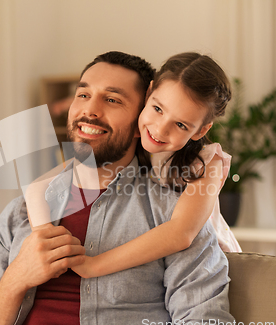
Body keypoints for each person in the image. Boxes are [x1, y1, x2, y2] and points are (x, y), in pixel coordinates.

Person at [0, 51, 235, 325]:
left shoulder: (174, 209)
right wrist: (17, 278)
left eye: (112, 100)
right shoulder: (18, 215)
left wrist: (92, 266)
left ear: (139, 112)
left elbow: (205, 323)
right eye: (82, 95)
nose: (89, 110)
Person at [25, 52, 241, 279]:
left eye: (180, 124)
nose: (160, 129)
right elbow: (38, 186)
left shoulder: (208, 161)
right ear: (148, 94)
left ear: (200, 130)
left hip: (206, 266)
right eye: (158, 109)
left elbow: (181, 233)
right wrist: (46, 237)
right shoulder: (136, 139)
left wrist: (93, 266)